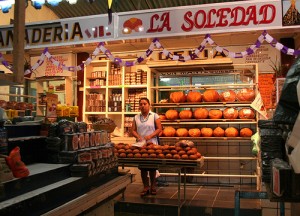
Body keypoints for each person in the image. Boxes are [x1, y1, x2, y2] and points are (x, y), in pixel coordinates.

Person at [131, 97, 162, 196]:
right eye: (141, 104)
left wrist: (150, 136)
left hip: (152, 144)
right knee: (143, 167)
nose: (143, 106)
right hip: (141, 145)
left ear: (149, 105)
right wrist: (138, 137)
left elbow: (159, 128)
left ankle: (153, 186)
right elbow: (133, 130)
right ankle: (145, 187)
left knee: (152, 166)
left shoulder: (154, 115)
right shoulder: (136, 117)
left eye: (145, 104)